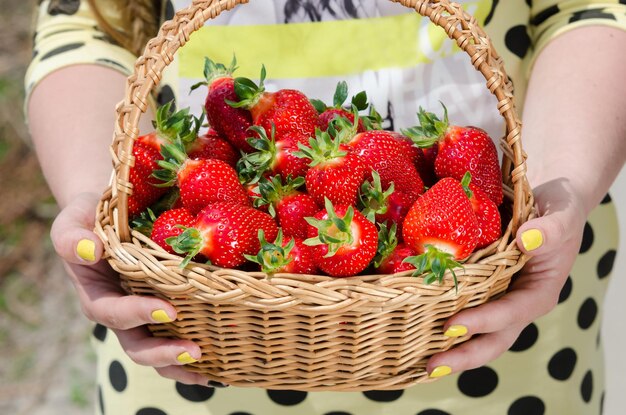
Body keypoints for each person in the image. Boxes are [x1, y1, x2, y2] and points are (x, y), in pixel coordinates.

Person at [25, 0, 625, 414]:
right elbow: (85, 27)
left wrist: (554, 191)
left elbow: (589, 9)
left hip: (490, 312)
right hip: (194, 323)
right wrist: (99, 199)